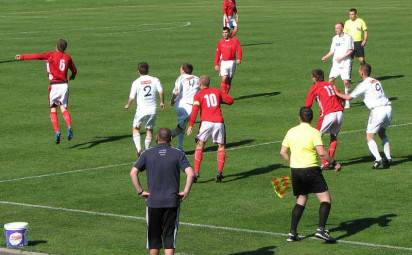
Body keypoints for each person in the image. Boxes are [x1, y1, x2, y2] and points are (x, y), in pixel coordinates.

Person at [280, 107, 341, 243]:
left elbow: (283, 152)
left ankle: (292, 233)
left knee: (301, 199)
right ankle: (320, 230)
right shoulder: (314, 132)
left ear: (299, 117)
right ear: (311, 118)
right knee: (326, 199)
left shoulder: (291, 131)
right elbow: (321, 153)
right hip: (311, 170)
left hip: (296, 170)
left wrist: (292, 162)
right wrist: (334, 162)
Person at [130, 128, 195, 255]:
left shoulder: (147, 153)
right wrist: (186, 191)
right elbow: (191, 174)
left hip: (153, 202)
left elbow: (133, 173)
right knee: (169, 239)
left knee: (153, 240)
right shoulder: (178, 153)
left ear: (156, 138)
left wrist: (140, 191)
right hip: (172, 202)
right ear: (171, 139)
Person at [15, 39, 77, 144]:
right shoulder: (68, 57)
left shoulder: (51, 55)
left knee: (53, 109)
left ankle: (57, 132)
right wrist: (72, 76)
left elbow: (37, 56)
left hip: (54, 86)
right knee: (63, 108)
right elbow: (74, 71)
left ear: (56, 46)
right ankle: (69, 126)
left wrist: (22, 57)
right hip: (64, 86)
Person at [333, 63, 392, 169]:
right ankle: (388, 157)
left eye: (359, 70)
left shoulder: (364, 84)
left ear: (362, 72)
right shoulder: (376, 81)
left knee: (369, 136)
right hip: (388, 108)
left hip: (378, 110)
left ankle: (378, 159)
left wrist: (336, 92)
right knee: (382, 133)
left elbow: (348, 97)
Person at [186, 76, 234, 183]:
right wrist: (220, 100)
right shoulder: (217, 91)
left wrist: (190, 125)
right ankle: (219, 173)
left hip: (206, 123)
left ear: (200, 84)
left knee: (200, 145)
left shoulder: (198, 95)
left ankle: (196, 173)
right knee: (221, 147)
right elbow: (231, 101)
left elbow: (194, 111)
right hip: (218, 122)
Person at [305, 69, 344, 169]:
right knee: (334, 137)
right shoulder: (331, 84)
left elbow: (308, 105)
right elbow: (341, 97)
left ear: (314, 78)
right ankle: (330, 160)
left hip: (328, 115)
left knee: (316, 138)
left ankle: (325, 162)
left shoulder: (314, 87)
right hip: (339, 113)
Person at [125, 62, 165, 157]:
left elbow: (132, 97)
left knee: (136, 128)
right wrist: (162, 102)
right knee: (149, 129)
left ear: (138, 71)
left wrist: (128, 105)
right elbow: (161, 91)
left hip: (141, 110)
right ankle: (147, 150)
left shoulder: (136, 82)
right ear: (148, 70)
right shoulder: (155, 80)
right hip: (152, 109)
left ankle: (139, 150)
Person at [322, 22, 354, 109]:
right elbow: (332, 51)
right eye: (335, 28)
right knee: (330, 82)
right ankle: (334, 99)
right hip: (336, 64)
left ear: (342, 28)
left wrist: (341, 57)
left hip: (345, 63)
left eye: (338, 28)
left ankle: (347, 101)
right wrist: (326, 56)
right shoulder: (334, 38)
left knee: (346, 82)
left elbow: (350, 50)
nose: (336, 30)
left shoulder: (348, 38)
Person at [170, 63, 200, 151]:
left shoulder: (180, 78)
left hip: (182, 105)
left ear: (183, 70)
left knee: (181, 127)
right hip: (194, 106)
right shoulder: (197, 78)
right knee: (182, 126)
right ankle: (180, 147)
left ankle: (168, 138)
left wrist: (172, 100)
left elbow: (176, 92)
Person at [214, 26, 243, 94]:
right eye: (223, 32)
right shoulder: (220, 42)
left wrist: (239, 58)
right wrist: (216, 64)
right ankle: (223, 95)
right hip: (223, 62)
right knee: (224, 78)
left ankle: (226, 95)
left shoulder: (235, 41)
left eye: (226, 32)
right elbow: (217, 54)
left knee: (229, 80)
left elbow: (239, 50)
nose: (224, 34)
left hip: (232, 62)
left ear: (229, 33)